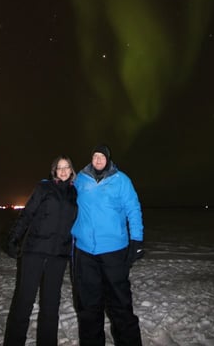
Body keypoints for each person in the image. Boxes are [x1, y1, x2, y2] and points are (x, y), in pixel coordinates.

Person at [72, 144, 144, 346]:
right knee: (88, 306)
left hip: (114, 251)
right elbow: (65, 198)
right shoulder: (80, 179)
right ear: (91, 158)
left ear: (108, 160)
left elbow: (133, 209)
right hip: (85, 252)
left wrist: (136, 239)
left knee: (120, 304)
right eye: (95, 156)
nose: (98, 160)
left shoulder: (121, 180)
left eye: (102, 157)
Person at [3, 155, 77, 346]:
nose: (62, 171)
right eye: (59, 167)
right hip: (34, 252)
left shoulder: (75, 193)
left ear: (71, 171)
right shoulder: (44, 188)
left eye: (66, 167)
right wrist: (14, 237)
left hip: (58, 256)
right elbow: (27, 213)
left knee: (51, 307)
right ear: (54, 171)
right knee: (24, 302)